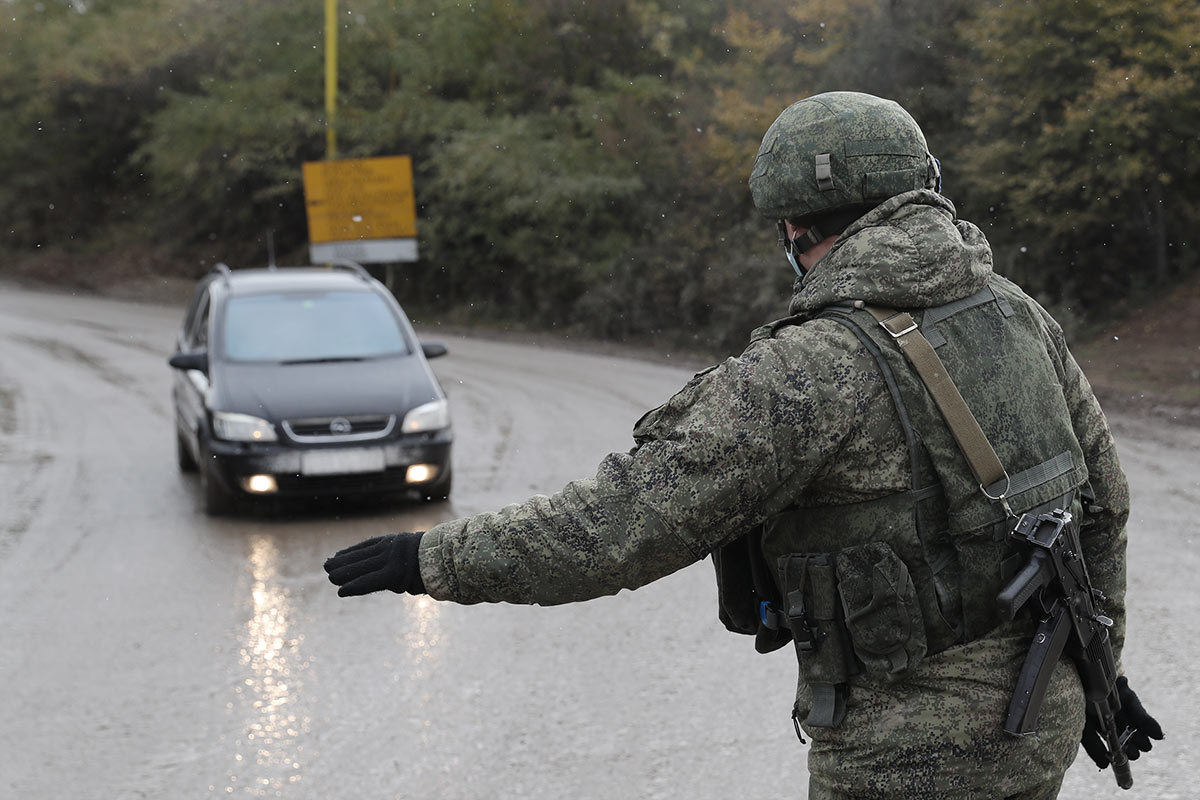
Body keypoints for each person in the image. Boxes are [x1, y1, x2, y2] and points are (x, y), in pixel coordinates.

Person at [324, 91, 1161, 799]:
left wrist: (433, 558)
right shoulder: (1015, 311)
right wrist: (1098, 671)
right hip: (1037, 722)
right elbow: (1102, 504)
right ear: (924, 190)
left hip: (905, 760)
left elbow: (616, 528)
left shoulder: (807, 371)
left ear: (795, 226)